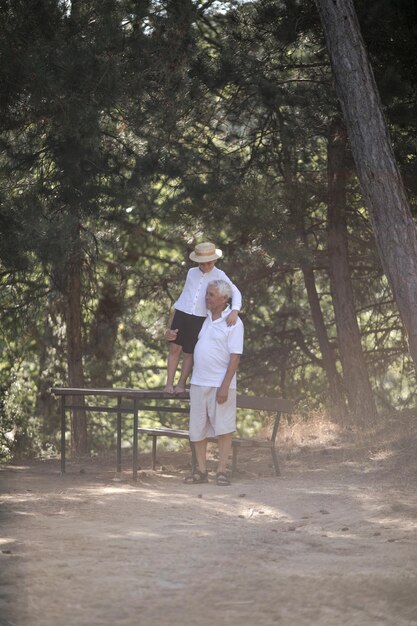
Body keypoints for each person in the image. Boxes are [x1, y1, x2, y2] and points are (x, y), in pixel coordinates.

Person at [184, 279, 244, 486]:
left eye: (211, 295)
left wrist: (225, 386)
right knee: (197, 429)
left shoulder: (234, 321)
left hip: (220, 384)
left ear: (224, 298)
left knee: (223, 429)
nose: (206, 298)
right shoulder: (205, 318)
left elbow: (235, 357)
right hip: (199, 383)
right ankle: (201, 471)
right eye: (207, 294)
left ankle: (221, 471)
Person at [164, 241, 242, 394]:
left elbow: (235, 291)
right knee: (174, 348)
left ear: (215, 260)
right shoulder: (191, 272)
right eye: (202, 264)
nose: (206, 266)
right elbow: (183, 296)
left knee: (189, 352)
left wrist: (235, 310)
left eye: (209, 263)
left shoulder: (220, 275)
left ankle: (181, 385)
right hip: (182, 312)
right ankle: (168, 384)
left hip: (199, 317)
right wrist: (171, 320)